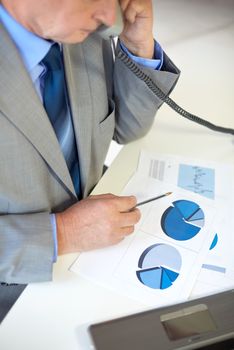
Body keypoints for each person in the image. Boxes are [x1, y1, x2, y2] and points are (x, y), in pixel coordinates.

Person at [0, 0, 180, 285]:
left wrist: (137, 45)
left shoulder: (78, 31)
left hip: (98, 252)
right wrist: (64, 233)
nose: (110, 18)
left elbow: (126, 127)